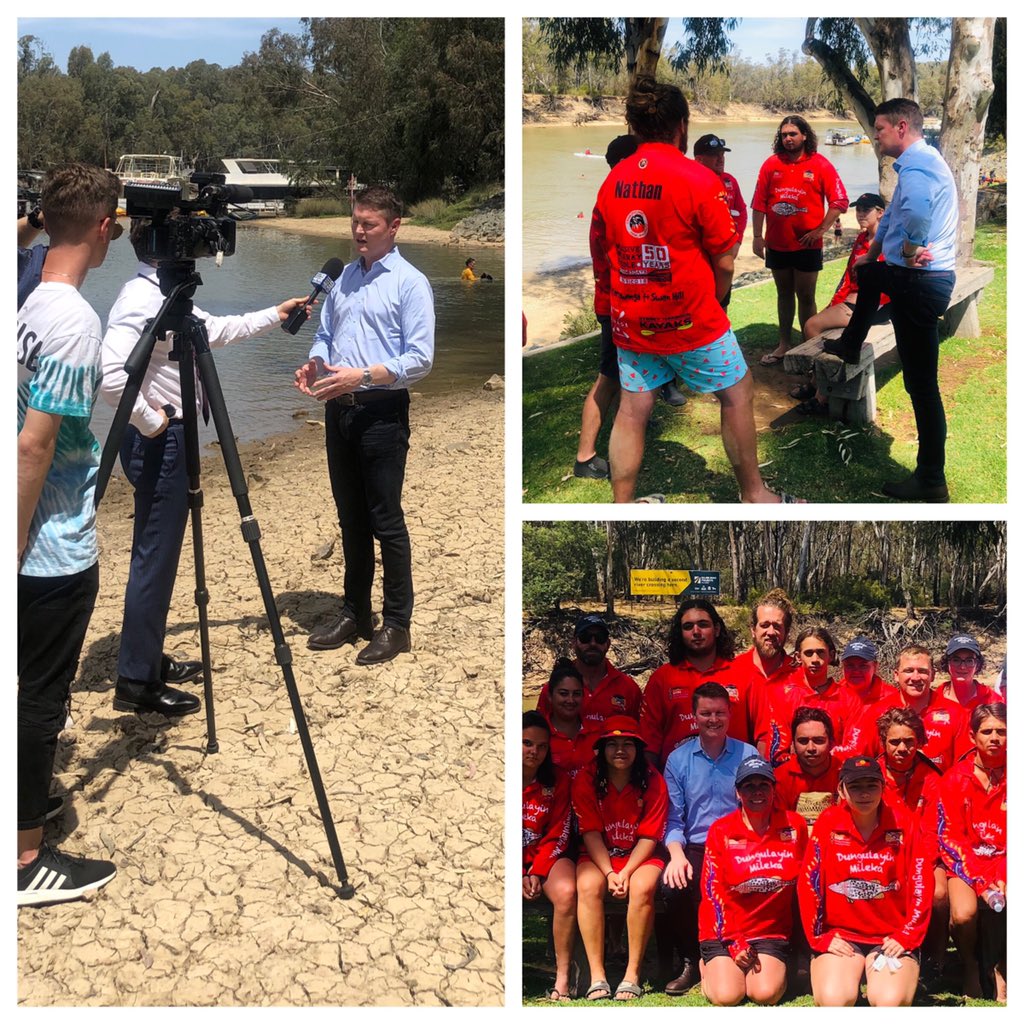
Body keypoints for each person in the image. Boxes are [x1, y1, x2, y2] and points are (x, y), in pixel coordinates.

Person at [101, 226, 312, 716]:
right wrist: (154, 422)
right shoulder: (140, 298)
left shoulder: (166, 293)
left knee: (158, 555)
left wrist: (271, 314)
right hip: (162, 442)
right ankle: (136, 680)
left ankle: (147, 656)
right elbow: (111, 373)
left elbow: (209, 333)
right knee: (155, 558)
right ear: (164, 247)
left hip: (168, 439)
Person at [589, 77, 795, 504]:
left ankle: (622, 506)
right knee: (737, 394)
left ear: (634, 126)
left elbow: (605, 251)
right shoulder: (700, 180)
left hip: (633, 324)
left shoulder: (612, 182)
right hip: (691, 320)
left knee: (632, 410)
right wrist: (717, 299)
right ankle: (755, 495)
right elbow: (724, 259)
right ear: (681, 125)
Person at [18, 163, 123, 905]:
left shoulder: (26, 301)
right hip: (47, 548)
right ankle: (26, 859)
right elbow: (35, 444)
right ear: (102, 227)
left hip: (31, 539)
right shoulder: (76, 321)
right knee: (39, 700)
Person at [295, 185, 435, 664]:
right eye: (355, 221)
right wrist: (316, 363)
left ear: (393, 228)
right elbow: (326, 334)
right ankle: (355, 613)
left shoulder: (410, 283)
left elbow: (420, 359)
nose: (358, 230)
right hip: (339, 410)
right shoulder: (344, 278)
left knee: (385, 521)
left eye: (369, 224)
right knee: (350, 518)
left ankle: (397, 624)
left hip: (382, 413)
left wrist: (365, 375)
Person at [823, 99, 958, 503]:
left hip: (921, 281)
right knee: (872, 272)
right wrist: (872, 252)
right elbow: (898, 215)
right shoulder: (919, 163)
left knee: (922, 385)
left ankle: (931, 479)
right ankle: (850, 343)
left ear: (902, 127)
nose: (874, 136)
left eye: (879, 129)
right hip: (911, 278)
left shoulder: (917, 167)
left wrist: (914, 248)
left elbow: (915, 215)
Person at [799, 756, 932, 1006]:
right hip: (841, 936)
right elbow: (810, 882)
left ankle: (883, 979)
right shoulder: (828, 823)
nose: (864, 794)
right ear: (841, 789)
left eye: (871, 785)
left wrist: (907, 935)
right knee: (834, 1001)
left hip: (891, 938)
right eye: (855, 786)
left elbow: (921, 882)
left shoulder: (904, 822)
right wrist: (820, 938)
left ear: (883, 787)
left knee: (889, 1002)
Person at [661, 683, 758, 994]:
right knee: (674, 886)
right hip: (696, 845)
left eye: (719, 713)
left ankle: (748, 950)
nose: (713, 719)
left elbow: (759, 806)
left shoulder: (748, 754)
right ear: (694, 716)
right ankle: (692, 959)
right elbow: (674, 819)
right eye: (706, 713)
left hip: (740, 843)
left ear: (729, 713)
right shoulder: (678, 760)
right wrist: (676, 856)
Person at [572, 716, 669, 1001]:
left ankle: (632, 974)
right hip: (599, 854)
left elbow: (649, 837)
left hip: (639, 856)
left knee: (643, 887)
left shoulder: (653, 780)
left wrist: (625, 872)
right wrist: (609, 873)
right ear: (600, 748)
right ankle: (597, 975)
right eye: (612, 744)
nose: (620, 750)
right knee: (588, 886)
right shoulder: (586, 778)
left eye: (628, 743)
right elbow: (590, 832)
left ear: (639, 748)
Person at [699, 756, 808, 1005]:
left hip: (770, 931)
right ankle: (708, 968)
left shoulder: (795, 825)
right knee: (728, 996)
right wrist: (733, 942)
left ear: (773, 789)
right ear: (738, 792)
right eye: (749, 786)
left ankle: (757, 971)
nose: (756, 792)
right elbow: (712, 890)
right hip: (723, 930)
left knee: (765, 994)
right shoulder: (721, 830)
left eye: (763, 785)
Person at [751, 115, 848, 364]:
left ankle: (808, 346)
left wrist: (820, 230)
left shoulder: (820, 164)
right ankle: (784, 344)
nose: (788, 139)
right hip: (777, 244)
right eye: (784, 135)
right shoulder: (771, 164)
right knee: (783, 294)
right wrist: (758, 236)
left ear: (804, 135)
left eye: (793, 134)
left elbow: (839, 201)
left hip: (807, 245)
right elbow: (759, 203)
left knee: (805, 295)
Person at [791, 193, 891, 416]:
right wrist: (836, 302)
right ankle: (817, 383)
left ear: (880, 213)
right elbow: (848, 277)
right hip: (855, 300)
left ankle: (821, 395)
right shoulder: (861, 239)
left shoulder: (886, 242)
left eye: (867, 209)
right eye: (858, 209)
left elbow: (887, 281)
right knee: (817, 324)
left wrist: (862, 301)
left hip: (873, 307)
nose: (861, 213)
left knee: (811, 326)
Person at [934, 703, 1006, 1002]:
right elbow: (949, 837)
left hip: (1005, 863)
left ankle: (1000, 970)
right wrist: (980, 878)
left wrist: (1002, 875)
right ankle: (971, 967)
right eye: (986, 731)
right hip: (966, 865)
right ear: (973, 736)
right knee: (964, 915)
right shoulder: (954, 778)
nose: (994, 738)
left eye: (1002, 732)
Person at [640, 599, 761, 768]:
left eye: (703, 624)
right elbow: (649, 741)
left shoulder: (745, 674)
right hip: (678, 782)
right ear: (680, 633)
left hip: (735, 781)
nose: (696, 631)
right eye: (688, 627)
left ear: (717, 629)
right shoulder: (662, 678)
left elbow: (761, 734)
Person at [875, 706, 948, 987]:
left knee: (939, 892)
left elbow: (934, 832)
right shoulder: (872, 774)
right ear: (884, 742)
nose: (902, 748)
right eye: (895, 742)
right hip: (880, 856)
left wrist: (913, 867)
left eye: (909, 741)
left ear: (919, 742)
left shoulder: (933, 778)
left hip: (924, 857)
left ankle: (935, 962)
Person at [522, 711, 577, 1002]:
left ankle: (563, 977)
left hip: (548, 857)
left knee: (567, 891)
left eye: (542, 746)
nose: (535, 752)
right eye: (527, 743)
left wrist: (537, 871)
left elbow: (559, 831)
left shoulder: (558, 780)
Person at [847, 645, 966, 771]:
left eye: (922, 671)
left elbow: (963, 767)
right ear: (896, 675)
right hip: (889, 789)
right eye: (908, 671)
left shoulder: (955, 713)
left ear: (933, 676)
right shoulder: (877, 712)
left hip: (938, 788)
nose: (915, 677)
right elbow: (861, 761)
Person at [755, 626, 860, 765]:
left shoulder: (849, 698)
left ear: (831, 655)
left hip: (835, 777)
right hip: (793, 778)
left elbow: (854, 747)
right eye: (809, 653)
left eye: (821, 653)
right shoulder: (783, 694)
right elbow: (777, 750)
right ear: (798, 657)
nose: (815, 659)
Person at [536, 614, 642, 731]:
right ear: (574, 643)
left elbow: (638, 734)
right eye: (585, 637)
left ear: (608, 644)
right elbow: (536, 733)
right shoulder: (554, 688)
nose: (593, 643)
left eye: (599, 638)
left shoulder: (629, 689)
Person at [692, 134, 746, 310]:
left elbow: (741, 212)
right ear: (699, 159)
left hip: (724, 256)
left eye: (722, 155)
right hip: (700, 259)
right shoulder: (690, 182)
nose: (720, 159)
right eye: (715, 155)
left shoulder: (729, 181)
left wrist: (737, 242)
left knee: (722, 305)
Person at [774, 707, 840, 825]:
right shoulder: (779, 778)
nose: (811, 748)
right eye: (803, 741)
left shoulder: (844, 773)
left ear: (831, 743)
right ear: (792, 745)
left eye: (819, 740)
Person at [539, 658, 592, 777]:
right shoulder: (538, 736)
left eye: (577, 694)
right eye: (563, 693)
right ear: (550, 696)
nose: (570, 700)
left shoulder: (597, 734)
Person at [938, 634, 1002, 713]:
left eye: (969, 661)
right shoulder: (933, 699)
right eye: (956, 660)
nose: (962, 667)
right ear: (947, 663)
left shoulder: (993, 700)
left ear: (978, 665)